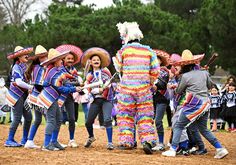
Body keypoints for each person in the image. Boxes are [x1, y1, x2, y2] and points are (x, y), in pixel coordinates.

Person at [162, 49, 228, 159]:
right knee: (203, 129)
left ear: (183, 65)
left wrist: (175, 86)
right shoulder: (204, 73)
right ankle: (220, 148)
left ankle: (173, 149)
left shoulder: (185, 76)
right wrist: (204, 74)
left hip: (194, 103)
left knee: (178, 125)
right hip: (206, 104)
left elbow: (178, 91)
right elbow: (210, 85)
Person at [113, 22, 160, 154]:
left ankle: (127, 141)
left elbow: (117, 66)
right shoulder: (149, 51)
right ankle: (147, 141)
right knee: (145, 115)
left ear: (126, 36)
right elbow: (156, 70)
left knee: (125, 115)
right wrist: (149, 82)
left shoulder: (123, 51)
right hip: (144, 89)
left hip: (127, 89)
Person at [38, 48, 81, 151]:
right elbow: (61, 88)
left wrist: (75, 82)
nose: (62, 61)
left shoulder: (57, 69)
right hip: (49, 98)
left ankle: (54, 141)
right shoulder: (53, 72)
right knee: (52, 120)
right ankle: (46, 144)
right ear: (55, 61)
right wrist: (75, 88)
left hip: (53, 98)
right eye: (60, 59)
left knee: (58, 119)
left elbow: (65, 79)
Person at [80, 47, 114, 150]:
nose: (96, 61)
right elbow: (88, 89)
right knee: (88, 122)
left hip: (106, 100)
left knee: (107, 119)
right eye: (94, 60)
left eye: (98, 60)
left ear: (100, 62)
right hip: (95, 100)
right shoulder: (89, 75)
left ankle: (110, 142)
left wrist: (104, 87)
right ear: (90, 62)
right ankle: (91, 137)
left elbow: (109, 84)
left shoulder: (106, 71)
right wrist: (95, 90)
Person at [5, 46, 34, 147]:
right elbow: (18, 82)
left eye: (27, 53)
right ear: (18, 57)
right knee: (17, 118)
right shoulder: (16, 67)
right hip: (17, 95)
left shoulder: (23, 66)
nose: (27, 55)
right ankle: (9, 139)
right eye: (23, 54)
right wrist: (30, 87)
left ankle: (24, 139)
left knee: (29, 117)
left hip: (23, 95)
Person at [56, 44, 83, 148]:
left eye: (72, 59)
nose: (70, 60)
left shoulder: (74, 70)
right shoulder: (59, 69)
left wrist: (81, 84)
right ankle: (55, 139)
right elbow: (65, 83)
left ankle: (71, 139)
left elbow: (76, 81)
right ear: (63, 59)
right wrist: (77, 83)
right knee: (57, 118)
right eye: (68, 58)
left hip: (69, 96)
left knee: (72, 118)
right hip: (59, 96)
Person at [24, 45, 48, 149]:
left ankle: (29, 141)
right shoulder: (39, 68)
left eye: (46, 56)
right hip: (38, 98)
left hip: (33, 98)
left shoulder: (36, 67)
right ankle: (50, 142)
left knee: (38, 120)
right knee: (49, 119)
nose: (45, 59)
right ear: (38, 59)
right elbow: (38, 85)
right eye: (42, 57)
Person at [152, 49, 170, 151]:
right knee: (149, 121)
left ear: (161, 61)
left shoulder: (164, 71)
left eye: (157, 59)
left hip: (162, 99)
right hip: (151, 99)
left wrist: (155, 85)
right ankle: (151, 141)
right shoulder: (149, 71)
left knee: (158, 121)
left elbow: (163, 85)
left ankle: (161, 143)